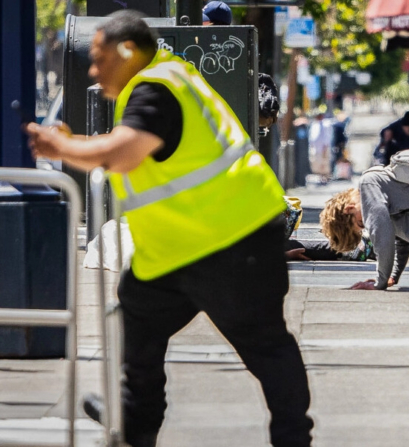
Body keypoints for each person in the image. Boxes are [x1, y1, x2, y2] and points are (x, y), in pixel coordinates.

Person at [23, 11, 313, 447]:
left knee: (265, 344)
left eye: (100, 59)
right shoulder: (167, 78)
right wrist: (77, 145)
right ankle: (135, 423)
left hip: (232, 239)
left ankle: (293, 438)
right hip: (181, 248)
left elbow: (123, 154)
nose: (94, 70)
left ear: (127, 51)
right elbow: (139, 150)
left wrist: (60, 147)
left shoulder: (155, 88)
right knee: (138, 313)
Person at [308, 111, 332, 178]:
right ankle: (319, 176)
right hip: (315, 147)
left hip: (324, 146)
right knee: (315, 162)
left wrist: (325, 146)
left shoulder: (326, 124)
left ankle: (325, 176)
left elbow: (327, 136)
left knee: (324, 162)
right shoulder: (314, 124)